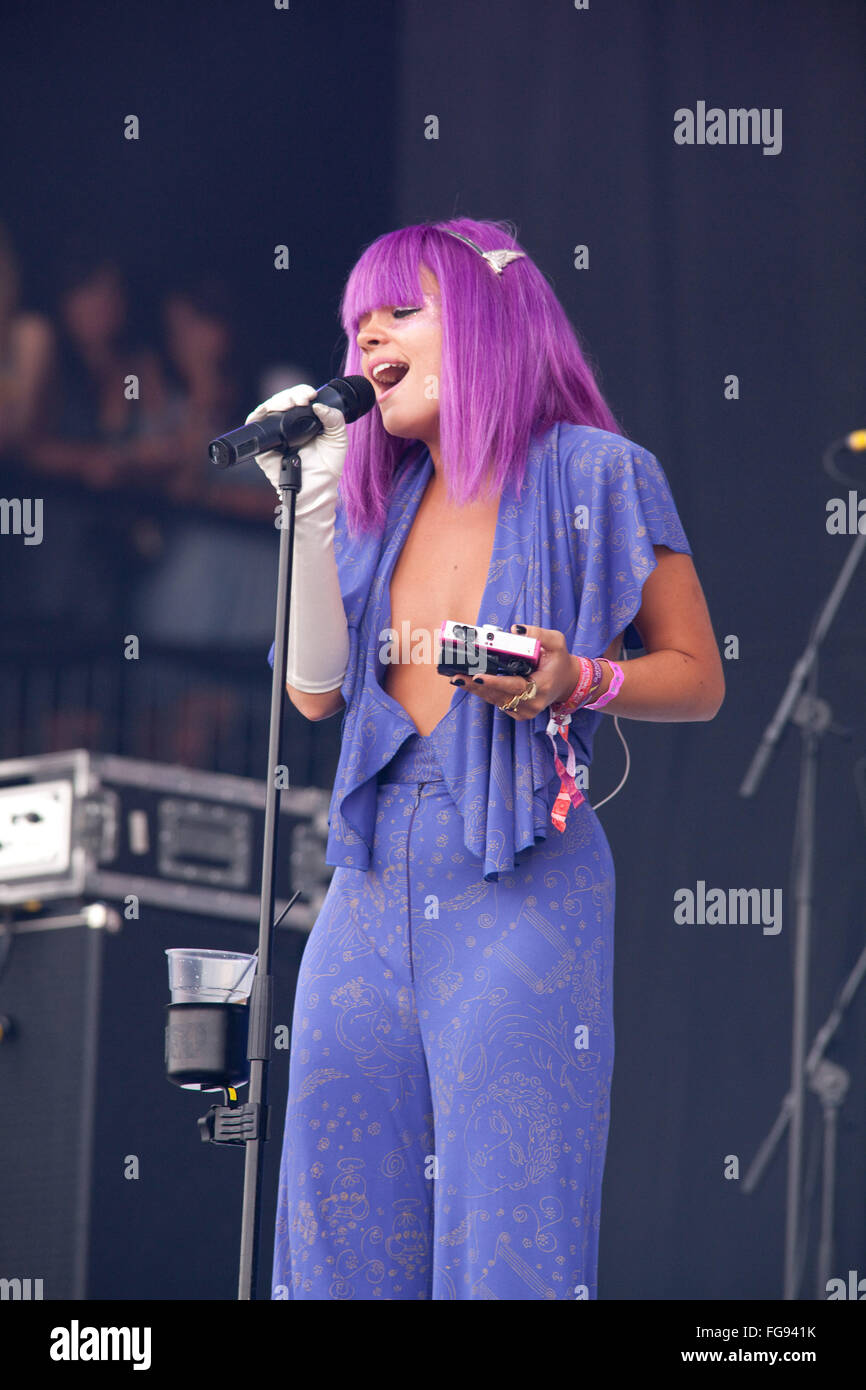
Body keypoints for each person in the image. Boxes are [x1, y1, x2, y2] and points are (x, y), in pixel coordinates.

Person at [248, 217, 725, 1301]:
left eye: (398, 311)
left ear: (487, 320)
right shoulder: (366, 497)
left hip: (518, 883)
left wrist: (578, 679)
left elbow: (697, 672)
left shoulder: (599, 472)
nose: (366, 335)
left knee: (509, 1235)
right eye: (353, 323)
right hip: (363, 895)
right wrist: (308, 505)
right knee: (334, 1228)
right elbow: (312, 693)